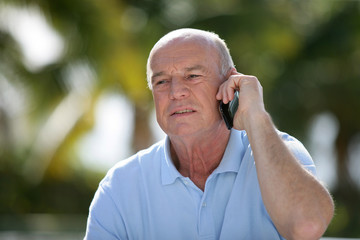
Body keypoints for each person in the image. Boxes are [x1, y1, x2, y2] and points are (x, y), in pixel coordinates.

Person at [84, 28, 334, 240]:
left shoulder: (282, 154)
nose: (175, 92)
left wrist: (255, 116)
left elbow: (307, 227)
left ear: (231, 82)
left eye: (192, 76)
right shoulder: (120, 187)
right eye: (161, 82)